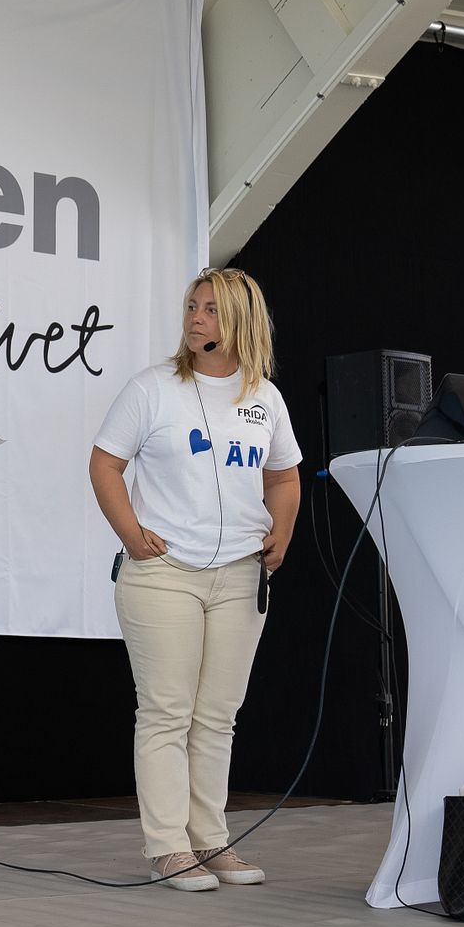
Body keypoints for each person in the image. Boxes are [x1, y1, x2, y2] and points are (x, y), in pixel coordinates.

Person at [88, 267, 302, 891]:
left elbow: (284, 474)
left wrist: (282, 531)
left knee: (217, 716)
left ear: (238, 319)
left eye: (208, 308)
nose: (193, 317)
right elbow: (105, 465)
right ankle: (167, 847)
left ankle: (211, 841)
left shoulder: (264, 396)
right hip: (164, 574)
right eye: (190, 306)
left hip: (240, 574)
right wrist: (132, 534)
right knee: (166, 711)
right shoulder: (152, 389)